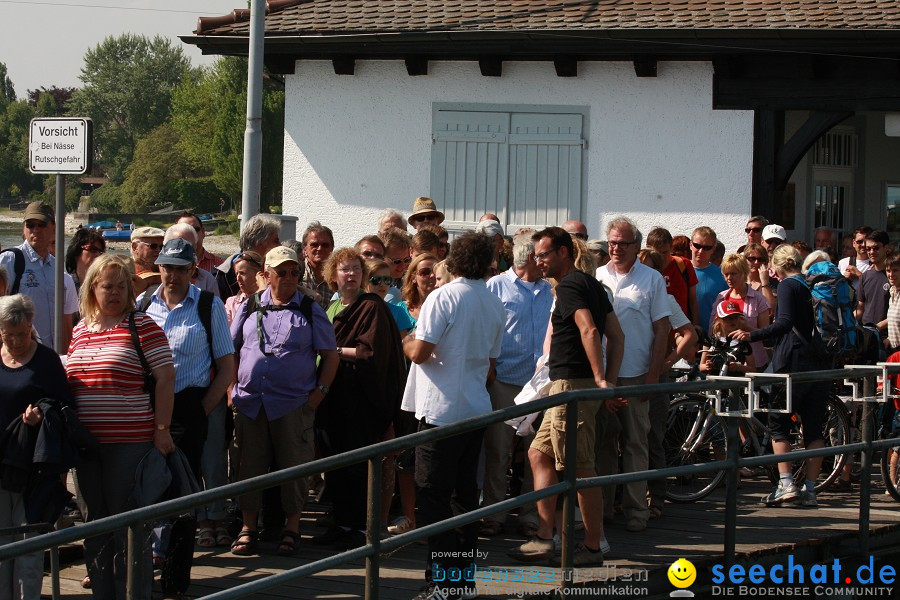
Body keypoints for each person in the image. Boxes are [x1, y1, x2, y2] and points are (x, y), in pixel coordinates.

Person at [509, 226, 624, 565]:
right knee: (538, 454)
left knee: (580, 468)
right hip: (570, 385)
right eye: (535, 255)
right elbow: (616, 336)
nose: (538, 261)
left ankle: (591, 546)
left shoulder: (573, 285)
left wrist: (603, 380)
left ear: (563, 252)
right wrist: (606, 382)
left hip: (571, 386)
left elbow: (590, 329)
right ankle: (546, 536)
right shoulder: (591, 284)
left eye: (543, 254)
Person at [401, 232, 505, 600]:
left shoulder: (442, 297)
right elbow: (491, 365)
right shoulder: (494, 302)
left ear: (455, 260)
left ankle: (444, 583)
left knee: (432, 498)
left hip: (443, 413)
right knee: (463, 499)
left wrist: (405, 340)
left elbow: (420, 352)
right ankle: (461, 583)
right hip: (475, 409)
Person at [66, 255, 176, 600]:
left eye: (120, 285)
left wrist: (162, 428)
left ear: (130, 289)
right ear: (92, 289)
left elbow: (166, 378)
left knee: (128, 526)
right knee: (95, 525)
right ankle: (103, 593)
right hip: (87, 448)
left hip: (130, 444)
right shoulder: (81, 330)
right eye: (106, 285)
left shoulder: (141, 326)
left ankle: (134, 594)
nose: (113, 292)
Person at [138, 239, 234, 597]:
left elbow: (226, 367)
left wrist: (202, 410)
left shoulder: (208, 305)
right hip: (147, 408)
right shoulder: (144, 304)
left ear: (193, 269)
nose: (173, 275)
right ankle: (143, 568)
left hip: (189, 408)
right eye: (167, 267)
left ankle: (176, 579)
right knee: (145, 492)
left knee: (183, 496)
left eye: (180, 268)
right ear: (159, 267)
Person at [230, 246, 339, 556]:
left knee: (294, 468)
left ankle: (292, 527)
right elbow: (232, 350)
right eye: (282, 272)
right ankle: (248, 526)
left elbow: (330, 356)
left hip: (293, 405)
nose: (290, 277)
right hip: (250, 402)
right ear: (267, 275)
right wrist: (231, 391)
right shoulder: (250, 306)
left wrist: (319, 396)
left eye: (295, 272)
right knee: (248, 466)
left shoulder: (309, 308)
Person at [313, 248, 406, 549]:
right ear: (332, 275)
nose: (350, 274)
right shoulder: (334, 306)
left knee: (357, 469)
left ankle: (359, 529)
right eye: (344, 269)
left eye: (355, 269)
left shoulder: (372, 307)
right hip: (333, 399)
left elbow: (369, 353)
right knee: (336, 468)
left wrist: (335, 353)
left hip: (361, 402)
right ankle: (341, 523)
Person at [732, 244, 829, 507]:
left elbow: (784, 323)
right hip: (819, 363)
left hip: (793, 364)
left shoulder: (788, 286)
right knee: (813, 428)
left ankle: (786, 485)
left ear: (776, 266)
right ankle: (810, 491)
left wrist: (752, 334)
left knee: (779, 424)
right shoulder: (812, 284)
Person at [596, 217, 671, 534]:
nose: (615, 248)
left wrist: (654, 374)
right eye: (612, 242)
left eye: (622, 243)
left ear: (636, 246)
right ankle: (603, 510)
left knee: (635, 444)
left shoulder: (652, 279)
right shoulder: (597, 275)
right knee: (603, 444)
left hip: (637, 374)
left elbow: (662, 328)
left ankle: (637, 511)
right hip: (603, 375)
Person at [0, 294, 74, 600]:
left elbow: (66, 408)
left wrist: (42, 414)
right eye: (8, 335)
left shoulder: (46, 361)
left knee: (28, 542)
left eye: (22, 333)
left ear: (31, 326)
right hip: (2, 464)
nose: (16, 341)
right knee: (2, 543)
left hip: (33, 467)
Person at [480, 234, 553, 538]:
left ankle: (531, 516)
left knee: (536, 453)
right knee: (498, 450)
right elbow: (484, 329)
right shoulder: (495, 286)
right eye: (540, 256)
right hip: (504, 380)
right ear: (527, 259)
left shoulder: (550, 289)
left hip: (538, 384)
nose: (544, 262)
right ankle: (494, 514)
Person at [0, 202, 78, 350]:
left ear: (54, 228)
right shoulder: (9, 260)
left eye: (41, 224)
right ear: (24, 229)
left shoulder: (57, 268)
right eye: (30, 225)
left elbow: (66, 321)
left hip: (51, 357)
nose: (35, 230)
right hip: (18, 355)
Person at [710, 253, 771, 371]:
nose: (729, 278)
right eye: (726, 274)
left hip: (754, 362)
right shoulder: (721, 297)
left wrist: (747, 328)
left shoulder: (758, 298)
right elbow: (713, 330)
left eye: (733, 273)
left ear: (744, 273)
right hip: (725, 362)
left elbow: (766, 334)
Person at [214, 214, 281, 300]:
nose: (279, 245)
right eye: (276, 241)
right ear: (259, 243)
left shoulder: (278, 270)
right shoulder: (222, 276)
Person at [647, 227, 698, 325]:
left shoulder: (683, 265)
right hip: (653, 329)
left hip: (681, 329)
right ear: (648, 247)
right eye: (657, 252)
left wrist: (695, 326)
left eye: (665, 252)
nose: (661, 257)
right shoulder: (642, 269)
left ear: (671, 247)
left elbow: (693, 300)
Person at [690, 226, 727, 339]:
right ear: (690, 244)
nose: (701, 251)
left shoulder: (723, 276)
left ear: (713, 249)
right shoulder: (680, 270)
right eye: (697, 246)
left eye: (706, 247)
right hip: (682, 339)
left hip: (712, 339)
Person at [64, 228, 106, 326]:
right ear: (77, 252)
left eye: (100, 252)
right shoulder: (66, 285)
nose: (97, 255)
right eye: (92, 249)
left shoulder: (103, 288)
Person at [857, 229, 892, 345]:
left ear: (887, 248)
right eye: (868, 249)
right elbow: (860, 309)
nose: (871, 252)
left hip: (888, 337)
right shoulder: (865, 276)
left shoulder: (894, 275)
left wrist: (879, 326)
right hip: (866, 336)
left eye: (876, 248)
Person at [164, 223, 219, 296]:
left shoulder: (207, 279)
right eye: (178, 245)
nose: (184, 250)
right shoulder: (152, 280)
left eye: (189, 246)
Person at [300, 221, 335, 310]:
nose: (320, 248)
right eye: (314, 244)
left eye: (325, 245)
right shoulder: (296, 273)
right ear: (305, 248)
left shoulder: (337, 278)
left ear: (332, 248)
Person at [223, 251, 264, 324]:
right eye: (236, 274)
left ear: (259, 274)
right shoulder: (231, 303)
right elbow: (225, 330)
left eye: (242, 273)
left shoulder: (270, 300)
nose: (238, 278)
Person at [398, 253, 438, 324]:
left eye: (436, 271)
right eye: (425, 272)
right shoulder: (400, 309)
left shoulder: (449, 308)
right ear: (414, 278)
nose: (432, 275)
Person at [129, 226, 166, 298]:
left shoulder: (169, 271)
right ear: (135, 247)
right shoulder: (124, 271)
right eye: (153, 246)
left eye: (162, 247)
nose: (159, 250)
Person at [838, 226, 873, 294]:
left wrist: (859, 274)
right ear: (854, 243)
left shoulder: (876, 263)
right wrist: (844, 280)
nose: (863, 244)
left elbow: (876, 287)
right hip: (848, 303)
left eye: (866, 241)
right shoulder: (843, 262)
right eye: (860, 241)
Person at [743, 243, 777, 312]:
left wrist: (765, 282)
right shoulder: (739, 281)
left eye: (760, 259)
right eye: (752, 258)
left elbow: (771, 310)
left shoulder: (773, 282)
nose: (756, 262)